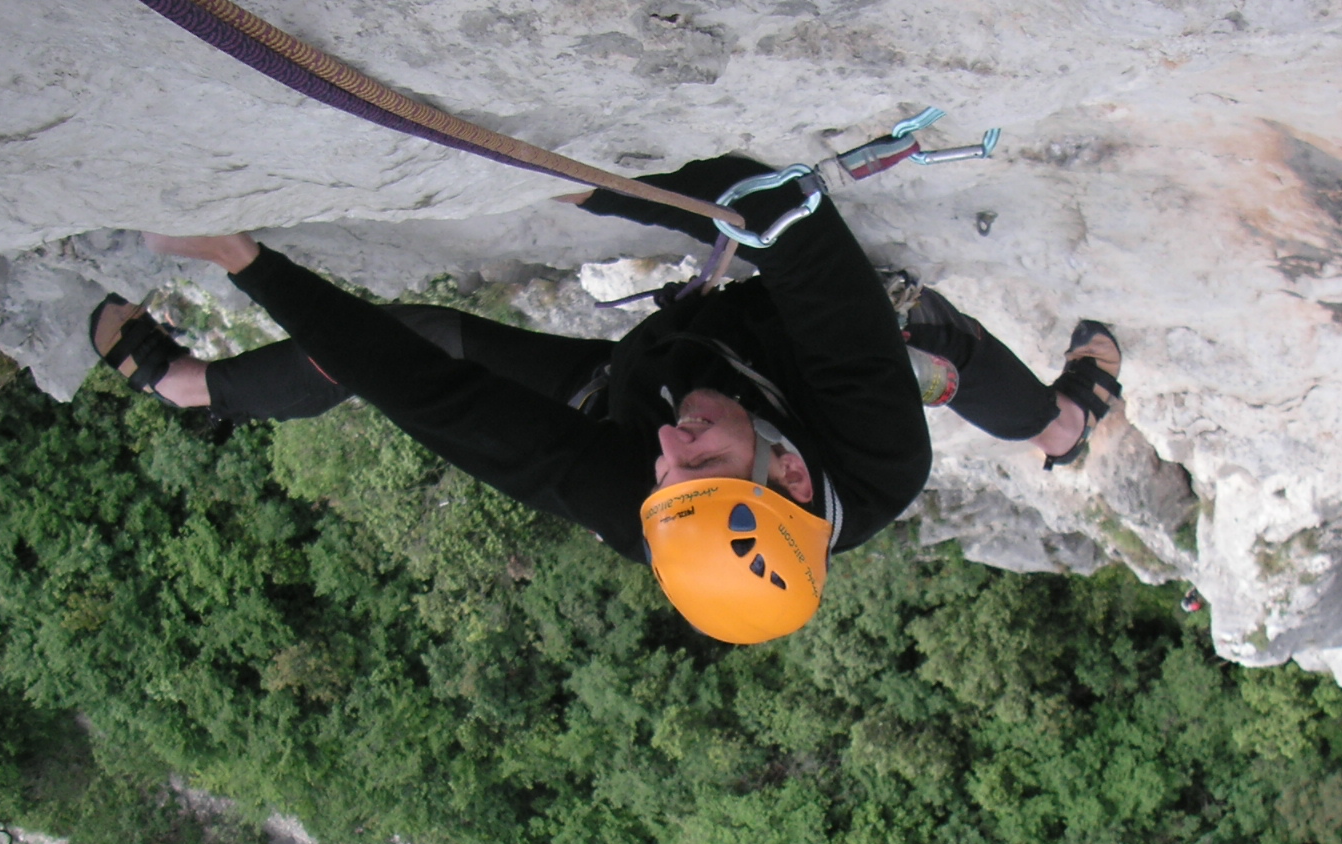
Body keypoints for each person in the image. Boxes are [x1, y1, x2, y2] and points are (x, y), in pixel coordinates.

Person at [90, 156, 1124, 643]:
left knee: (426, 341)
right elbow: (783, 217)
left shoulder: (656, 503)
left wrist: (245, 261)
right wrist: (588, 180)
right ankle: (1062, 420)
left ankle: (193, 386)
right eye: (700, 459)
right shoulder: (875, 451)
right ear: (791, 473)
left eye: (668, 476)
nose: (670, 450)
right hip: (786, 352)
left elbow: (432, 399)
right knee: (923, 336)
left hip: (633, 381)